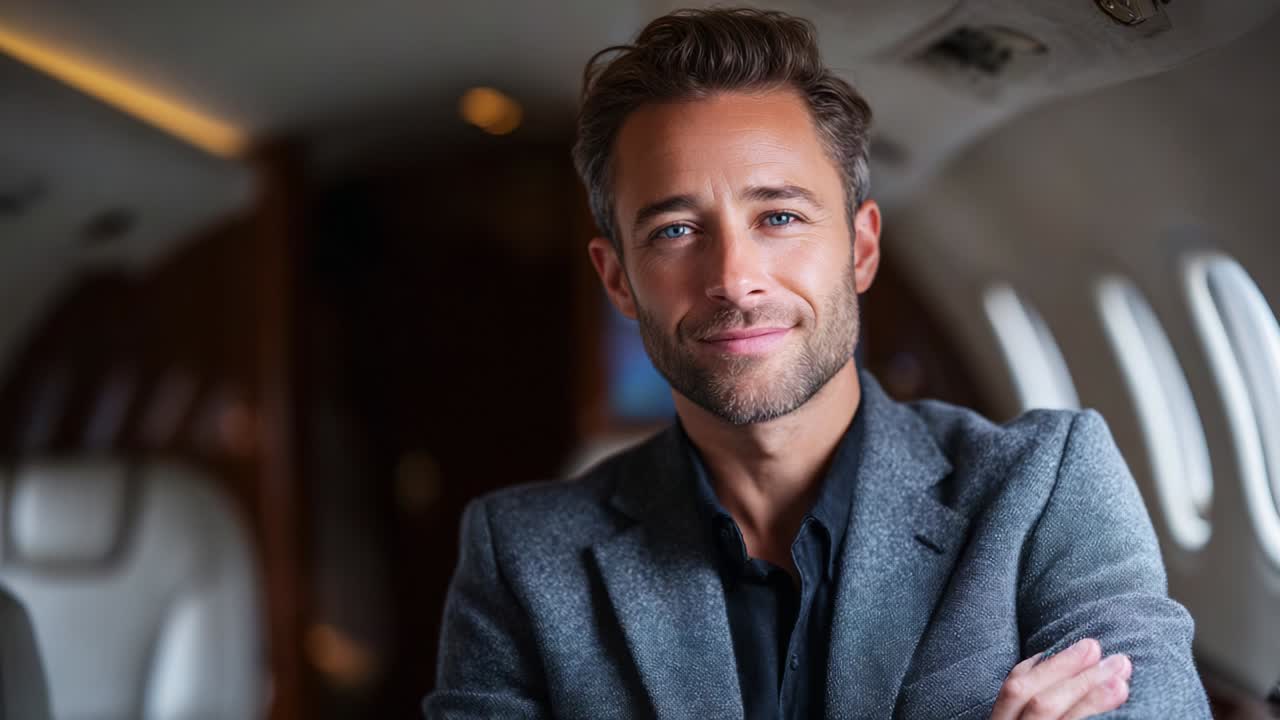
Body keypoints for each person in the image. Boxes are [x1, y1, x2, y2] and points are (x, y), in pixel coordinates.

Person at [423, 8, 1210, 719]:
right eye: (674, 231)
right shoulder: (522, 557)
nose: (735, 279)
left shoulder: (1046, 487)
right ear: (619, 279)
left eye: (780, 216)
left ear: (861, 247)